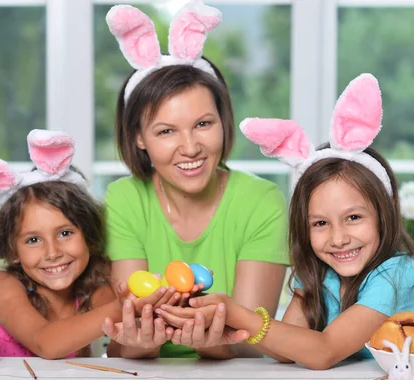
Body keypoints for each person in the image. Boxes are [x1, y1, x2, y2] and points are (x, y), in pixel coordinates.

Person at [158, 73, 414, 369]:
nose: (338, 238)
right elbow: (287, 351)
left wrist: (239, 314)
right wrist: (227, 327)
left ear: (386, 213)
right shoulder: (318, 270)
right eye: (320, 224)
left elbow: (324, 351)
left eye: (353, 217)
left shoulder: (394, 274)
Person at [101, 0, 289, 359]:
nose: (190, 148)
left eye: (203, 124)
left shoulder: (262, 200)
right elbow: (129, 339)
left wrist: (211, 342)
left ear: (224, 120)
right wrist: (141, 339)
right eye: (166, 131)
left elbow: (251, 344)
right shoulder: (123, 199)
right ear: (139, 137)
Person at [0, 129, 123, 359]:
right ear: (13, 249)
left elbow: (124, 347)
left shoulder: (95, 286)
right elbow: (45, 343)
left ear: (88, 235)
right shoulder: (1, 285)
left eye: (65, 233)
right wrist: (125, 307)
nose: (52, 252)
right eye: (33, 240)